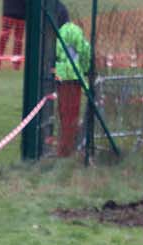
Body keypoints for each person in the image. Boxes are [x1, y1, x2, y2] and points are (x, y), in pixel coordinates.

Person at [53, 5, 92, 158]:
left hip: (62, 77)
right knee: (71, 113)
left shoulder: (55, 33)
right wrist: (85, 68)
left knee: (64, 114)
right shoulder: (75, 30)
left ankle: (65, 149)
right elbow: (84, 50)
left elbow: (55, 54)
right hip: (74, 78)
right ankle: (68, 148)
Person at [0, 0, 26, 68]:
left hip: (19, 14)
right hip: (11, 13)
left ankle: (16, 64)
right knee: (5, 38)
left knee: (17, 41)